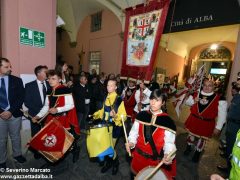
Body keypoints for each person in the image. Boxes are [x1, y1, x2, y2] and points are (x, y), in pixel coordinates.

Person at [126, 89, 177, 178]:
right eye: (151, 99)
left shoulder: (168, 122)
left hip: (154, 163)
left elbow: (169, 143)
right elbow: (134, 133)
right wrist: (131, 142)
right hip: (138, 158)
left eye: (157, 100)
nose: (153, 102)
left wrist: (167, 154)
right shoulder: (141, 115)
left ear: (163, 103)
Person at [32, 70, 80, 163]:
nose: (50, 81)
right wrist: (38, 116)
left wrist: (57, 109)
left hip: (63, 119)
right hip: (51, 119)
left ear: (60, 79)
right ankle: (57, 155)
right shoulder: (49, 91)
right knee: (54, 139)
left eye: (53, 78)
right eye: (49, 78)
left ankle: (75, 150)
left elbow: (71, 105)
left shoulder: (65, 89)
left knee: (67, 140)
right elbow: (46, 106)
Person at [184, 78, 227, 162]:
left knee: (202, 139)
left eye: (210, 86)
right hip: (194, 120)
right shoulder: (196, 94)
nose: (207, 87)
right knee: (191, 136)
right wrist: (193, 101)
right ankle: (188, 147)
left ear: (214, 87)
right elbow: (186, 102)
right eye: (205, 85)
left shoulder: (220, 98)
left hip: (207, 123)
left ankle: (197, 152)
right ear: (202, 85)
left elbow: (222, 115)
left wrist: (218, 127)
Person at [93, 78, 127, 175]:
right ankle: (109, 163)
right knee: (104, 146)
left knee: (109, 147)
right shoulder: (107, 97)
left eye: (111, 85)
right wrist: (95, 114)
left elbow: (124, 117)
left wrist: (116, 116)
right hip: (105, 126)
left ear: (116, 87)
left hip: (114, 128)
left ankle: (115, 163)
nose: (109, 87)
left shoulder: (119, 99)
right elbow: (103, 111)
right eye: (108, 85)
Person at [0, 57, 26, 169]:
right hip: (0, 116)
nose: (10, 68)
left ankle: (17, 155)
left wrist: (10, 111)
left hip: (14, 114)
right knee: (1, 139)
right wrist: (1, 112)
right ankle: (1, 160)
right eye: (6, 67)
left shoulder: (17, 80)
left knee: (16, 137)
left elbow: (21, 97)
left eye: (10, 66)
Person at [24, 65, 50, 159]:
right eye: (45, 72)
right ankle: (37, 152)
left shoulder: (49, 84)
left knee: (48, 134)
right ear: (38, 74)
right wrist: (40, 113)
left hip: (49, 115)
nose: (47, 74)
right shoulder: (29, 85)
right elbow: (27, 102)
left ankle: (47, 150)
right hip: (35, 115)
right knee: (36, 134)